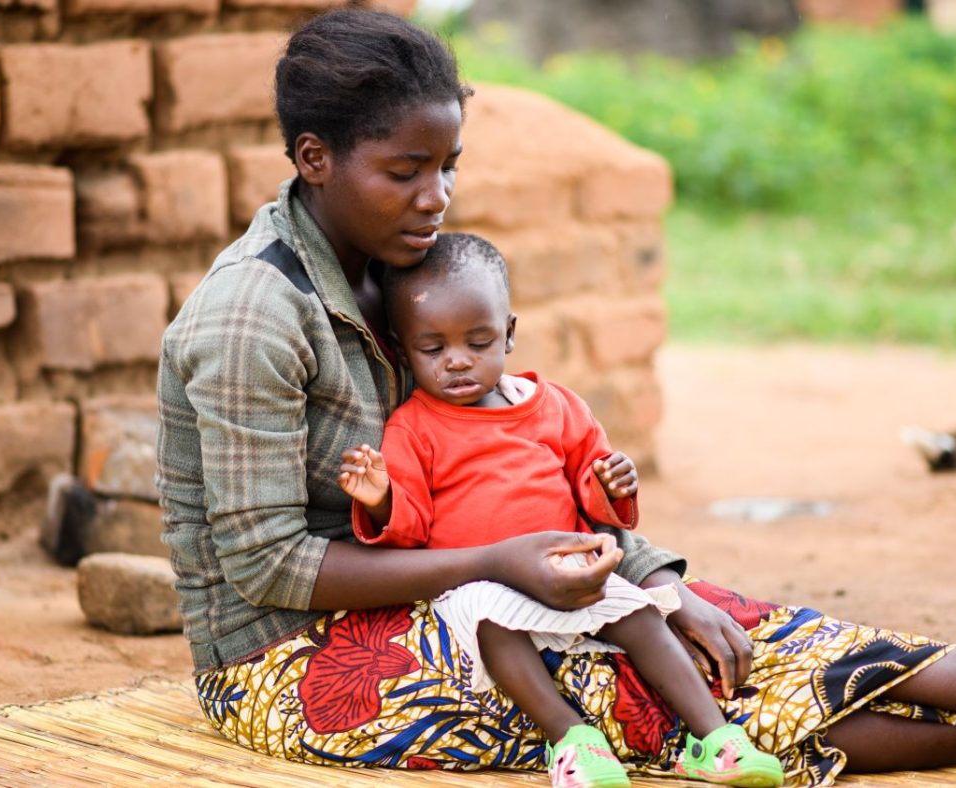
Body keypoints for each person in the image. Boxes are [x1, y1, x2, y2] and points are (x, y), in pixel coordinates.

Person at [155, 8, 956, 788]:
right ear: (313, 159)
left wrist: (645, 572)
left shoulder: (402, 274)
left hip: (450, 583)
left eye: (447, 168)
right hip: (289, 660)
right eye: (403, 171)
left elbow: (510, 469)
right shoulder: (252, 316)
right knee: (626, 683)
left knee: (701, 622)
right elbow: (266, 564)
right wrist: (504, 561)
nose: (435, 198)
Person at [335, 232, 784, 788]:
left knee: (642, 611)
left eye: (478, 342)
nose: (456, 361)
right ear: (404, 350)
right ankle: (573, 739)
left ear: (510, 333)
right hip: (482, 579)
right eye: (433, 349)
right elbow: (412, 529)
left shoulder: (557, 407)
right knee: (492, 624)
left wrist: (614, 481)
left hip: (572, 568)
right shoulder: (414, 427)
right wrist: (382, 501)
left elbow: (595, 495)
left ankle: (715, 739)